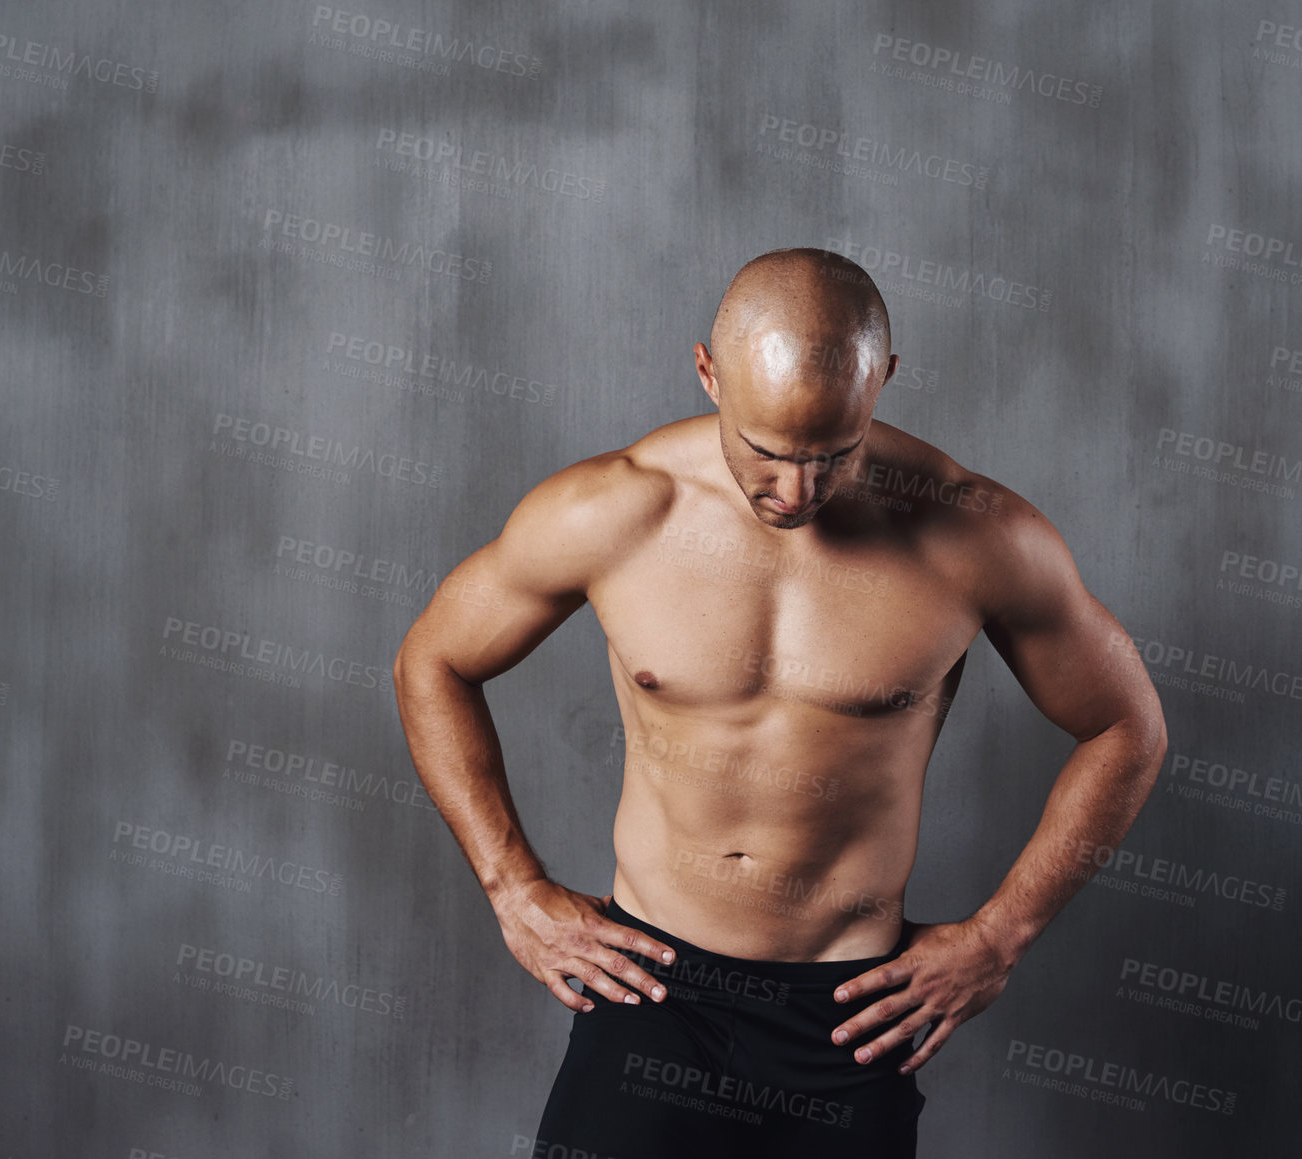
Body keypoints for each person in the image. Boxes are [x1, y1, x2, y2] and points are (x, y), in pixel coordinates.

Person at [393, 246, 1167, 1157]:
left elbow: (1127, 727)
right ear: (708, 373)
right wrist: (513, 887)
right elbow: (433, 661)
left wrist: (1001, 935)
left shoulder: (976, 536)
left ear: (884, 378)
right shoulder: (614, 511)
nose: (796, 490)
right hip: (651, 991)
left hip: (844, 1016)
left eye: (834, 454)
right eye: (766, 451)